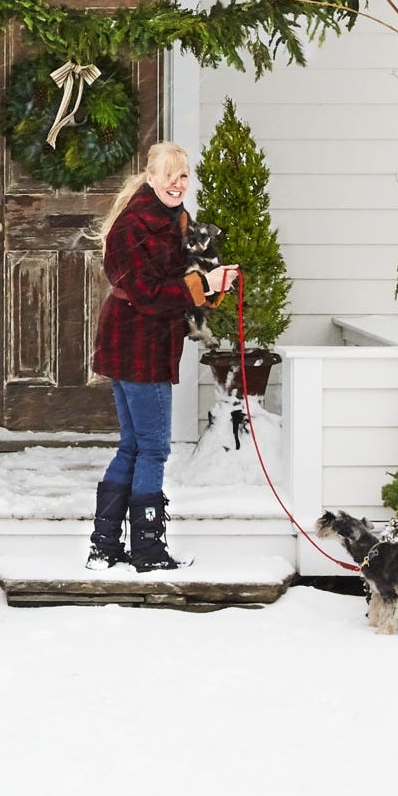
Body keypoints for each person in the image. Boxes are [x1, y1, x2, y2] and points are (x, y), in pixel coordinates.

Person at [88, 139, 235, 572]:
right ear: (150, 177)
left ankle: (106, 545)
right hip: (137, 344)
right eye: (168, 175)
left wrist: (214, 282)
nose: (177, 183)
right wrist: (202, 288)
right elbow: (148, 293)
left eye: (183, 175)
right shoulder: (132, 226)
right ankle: (148, 552)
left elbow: (185, 280)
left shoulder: (176, 218)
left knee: (134, 445)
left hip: (144, 341)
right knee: (153, 448)